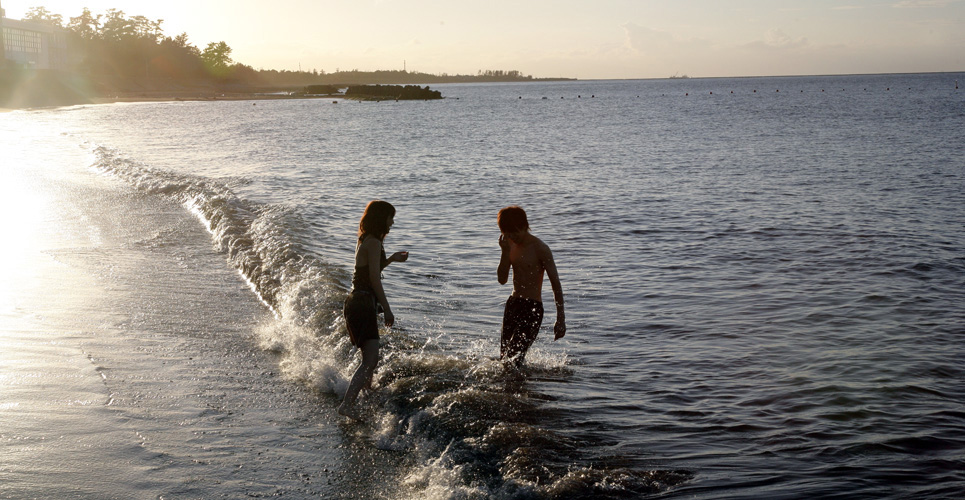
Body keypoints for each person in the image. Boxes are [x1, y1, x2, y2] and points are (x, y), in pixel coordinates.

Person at [339, 200, 408, 419]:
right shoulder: (374, 243)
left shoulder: (366, 240)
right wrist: (387, 309)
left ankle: (365, 398)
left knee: (369, 357)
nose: (393, 222)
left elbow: (369, 273)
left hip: (357, 302)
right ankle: (347, 405)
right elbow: (375, 281)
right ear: (382, 218)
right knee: (370, 360)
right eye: (390, 217)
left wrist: (391, 260)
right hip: (362, 304)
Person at [497, 205, 565, 368]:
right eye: (507, 233)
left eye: (514, 232)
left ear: (524, 226)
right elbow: (502, 280)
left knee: (514, 358)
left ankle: (519, 390)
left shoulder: (540, 248)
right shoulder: (509, 245)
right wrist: (504, 252)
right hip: (513, 304)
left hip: (532, 308)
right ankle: (512, 390)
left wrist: (560, 318)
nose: (511, 236)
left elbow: (556, 284)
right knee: (504, 359)